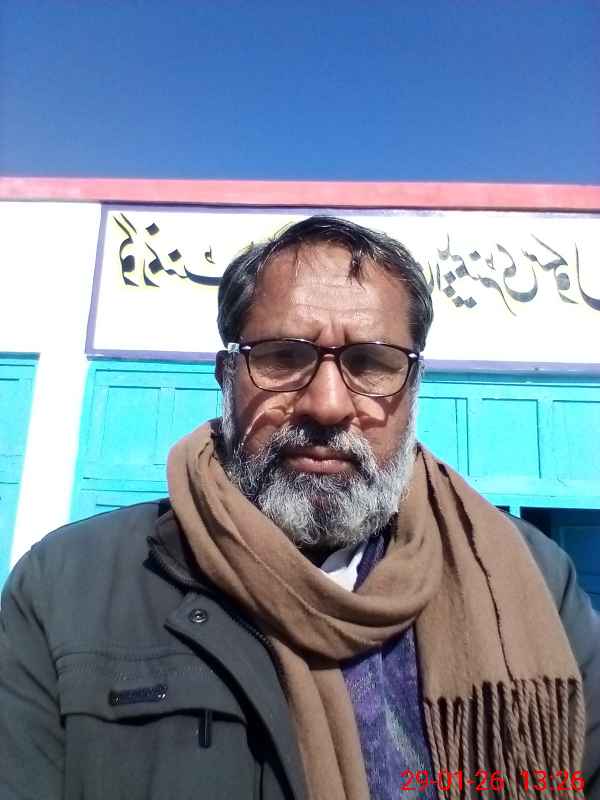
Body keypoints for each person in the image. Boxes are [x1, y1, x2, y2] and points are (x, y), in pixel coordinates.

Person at [1, 216, 598, 800]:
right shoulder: (69, 586)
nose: (328, 404)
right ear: (227, 377)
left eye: (371, 363)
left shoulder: (530, 577)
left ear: (413, 386)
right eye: (283, 358)